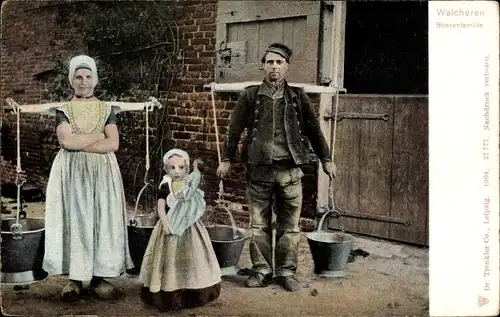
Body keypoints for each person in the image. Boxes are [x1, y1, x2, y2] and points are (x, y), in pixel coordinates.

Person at [216, 43, 337, 292]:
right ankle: (261, 270)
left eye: (279, 62)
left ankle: (285, 272)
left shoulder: (298, 97)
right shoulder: (250, 96)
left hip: (290, 172)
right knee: (259, 225)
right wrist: (226, 159)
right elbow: (234, 130)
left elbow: (314, 130)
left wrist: (326, 159)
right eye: (270, 62)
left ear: (286, 67)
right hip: (259, 171)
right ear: (263, 65)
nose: (274, 67)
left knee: (289, 227)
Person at [42, 55, 134, 301]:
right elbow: (66, 141)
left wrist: (80, 141)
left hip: (103, 172)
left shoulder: (107, 109)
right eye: (78, 77)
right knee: (76, 219)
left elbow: (113, 143)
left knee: (101, 218)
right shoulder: (64, 110)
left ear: (96, 79)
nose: (84, 82)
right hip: (71, 172)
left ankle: (98, 278)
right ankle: (73, 280)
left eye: (88, 76)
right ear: (71, 80)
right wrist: (96, 135)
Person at [139, 149, 221, 311]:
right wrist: (165, 223)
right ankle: (169, 291)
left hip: (189, 227)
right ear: (166, 169)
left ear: (187, 168)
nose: (177, 172)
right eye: (172, 168)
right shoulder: (166, 184)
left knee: (193, 257)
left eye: (181, 167)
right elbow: (161, 208)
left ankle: (194, 289)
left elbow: (196, 204)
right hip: (170, 226)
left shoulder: (191, 184)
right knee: (169, 258)